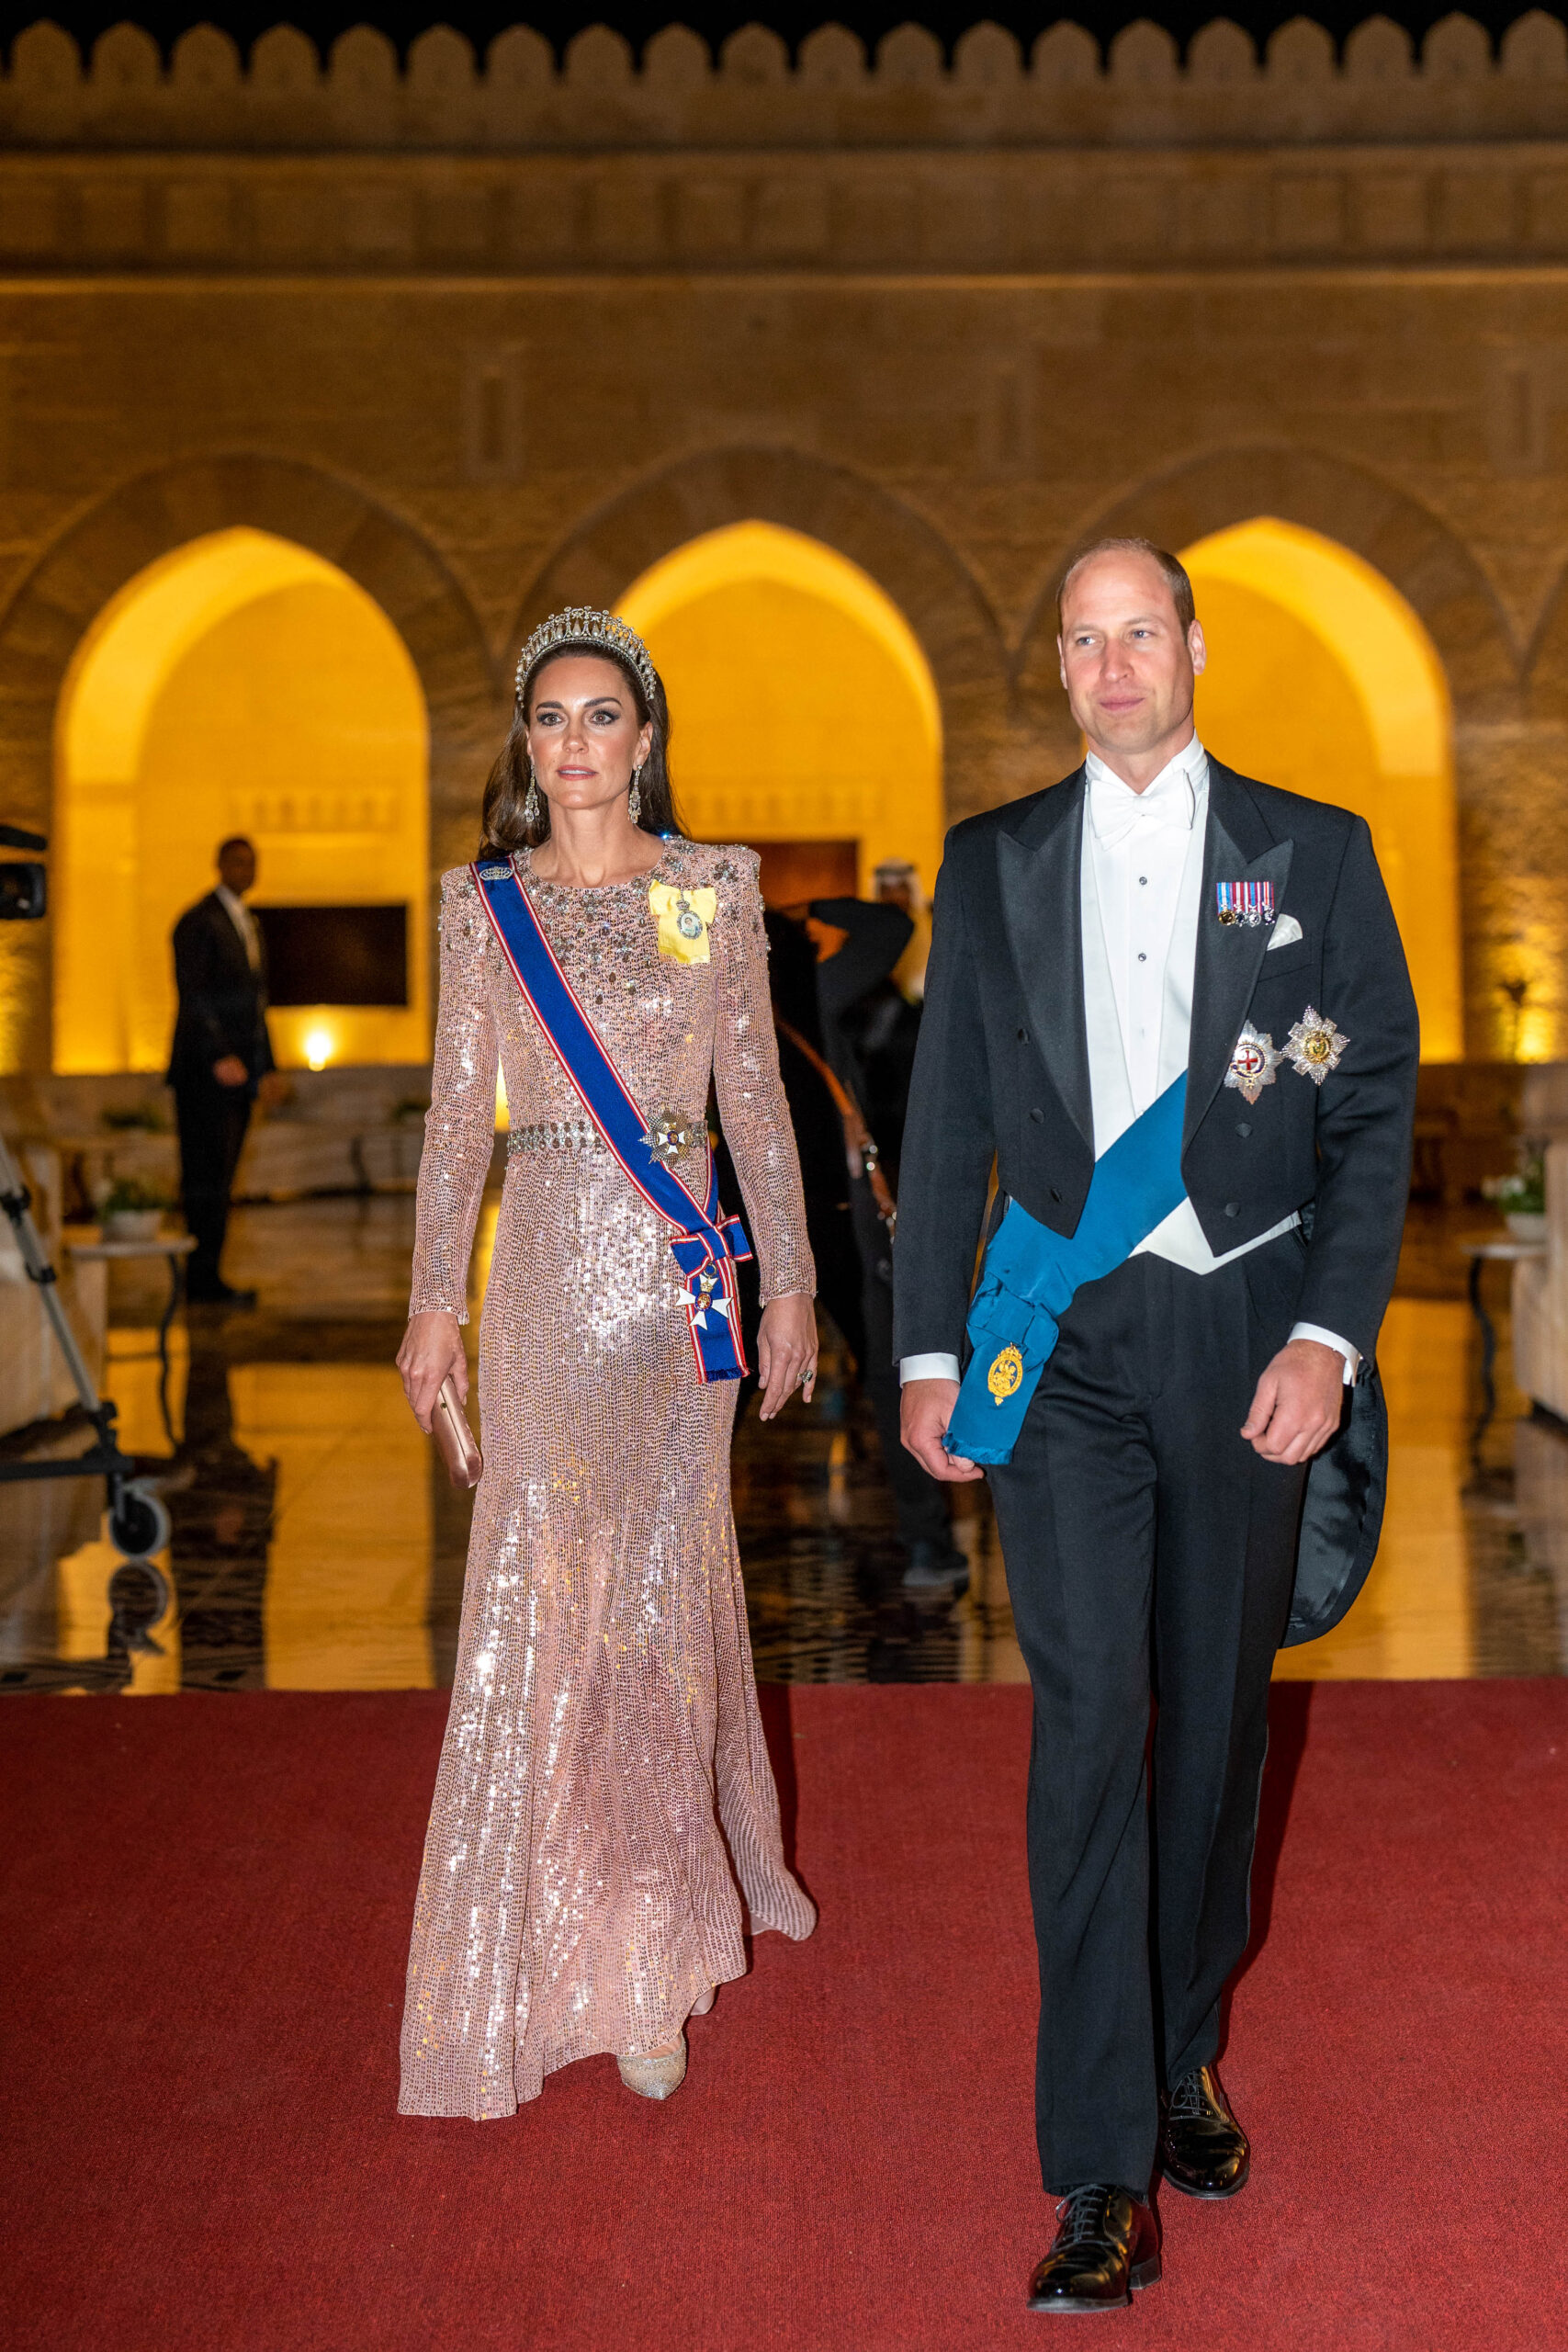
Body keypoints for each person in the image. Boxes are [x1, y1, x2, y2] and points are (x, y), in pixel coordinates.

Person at [895, 538, 1417, 2312]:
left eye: (1139, 633)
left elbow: (1366, 1099)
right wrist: (925, 1350)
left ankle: (1184, 2036)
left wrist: (1329, 1338)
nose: (1111, 664)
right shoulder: (994, 861)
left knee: (1211, 1722)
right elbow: (946, 1116)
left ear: (1194, 647)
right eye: (1081, 640)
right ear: (1056, 667)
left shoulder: (1310, 853)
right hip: (1062, 1351)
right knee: (1083, 1729)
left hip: (1245, 1335)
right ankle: (1098, 2166)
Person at [395, 607, 818, 2117]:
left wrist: (789, 1282)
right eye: (550, 719)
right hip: (540, 1295)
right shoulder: (481, 908)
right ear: (527, 748)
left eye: (600, 716)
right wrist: (432, 1302)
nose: (574, 743)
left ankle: (648, 1949)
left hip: (677, 1291)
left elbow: (752, 1097)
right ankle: (544, 1914)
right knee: (543, 1601)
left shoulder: (708, 891)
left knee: (652, 1611)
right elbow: (457, 1119)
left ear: (644, 740)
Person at [807, 891, 965, 1590]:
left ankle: (930, 1542)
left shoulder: (797, 991)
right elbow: (885, 929)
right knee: (882, 1372)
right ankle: (929, 1545)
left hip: (828, 1214)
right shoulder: (801, 990)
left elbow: (889, 927)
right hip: (814, 1214)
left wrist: (794, 905)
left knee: (887, 1371)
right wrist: (804, 907)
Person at [167, 836, 283, 1306]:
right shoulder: (197, 921)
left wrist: (267, 1067)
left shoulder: (248, 922)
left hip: (239, 1075)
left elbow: (256, 1004)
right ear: (218, 864)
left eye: (251, 862)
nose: (245, 869)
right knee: (204, 1178)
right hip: (203, 1074)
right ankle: (200, 1280)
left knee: (223, 1179)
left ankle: (208, 1276)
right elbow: (193, 996)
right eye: (237, 861)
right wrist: (218, 1055)